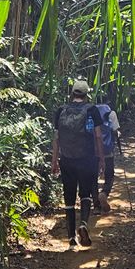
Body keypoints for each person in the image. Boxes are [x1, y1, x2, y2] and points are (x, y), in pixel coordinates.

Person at [51, 79, 105, 249]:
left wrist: (54, 161)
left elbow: (56, 139)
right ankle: (83, 223)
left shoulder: (61, 111)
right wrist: (101, 158)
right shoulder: (92, 110)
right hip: (87, 159)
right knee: (86, 194)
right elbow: (98, 136)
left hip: (66, 159)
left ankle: (71, 238)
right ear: (86, 94)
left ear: (72, 93)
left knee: (68, 197)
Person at [93, 96, 121, 213]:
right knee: (109, 175)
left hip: (93, 151)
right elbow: (115, 131)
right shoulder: (111, 113)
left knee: (92, 178)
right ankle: (104, 193)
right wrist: (118, 134)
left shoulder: (91, 111)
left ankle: (96, 206)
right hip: (107, 150)